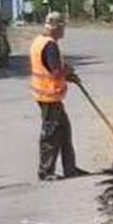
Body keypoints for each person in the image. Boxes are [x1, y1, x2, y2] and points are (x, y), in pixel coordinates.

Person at [30, 12, 86, 181]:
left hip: (48, 95)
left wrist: (69, 77)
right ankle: (46, 171)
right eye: (62, 27)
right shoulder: (49, 45)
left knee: (64, 131)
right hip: (49, 96)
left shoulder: (39, 42)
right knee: (51, 134)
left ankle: (70, 168)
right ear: (56, 27)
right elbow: (55, 71)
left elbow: (50, 69)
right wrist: (68, 71)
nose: (64, 31)